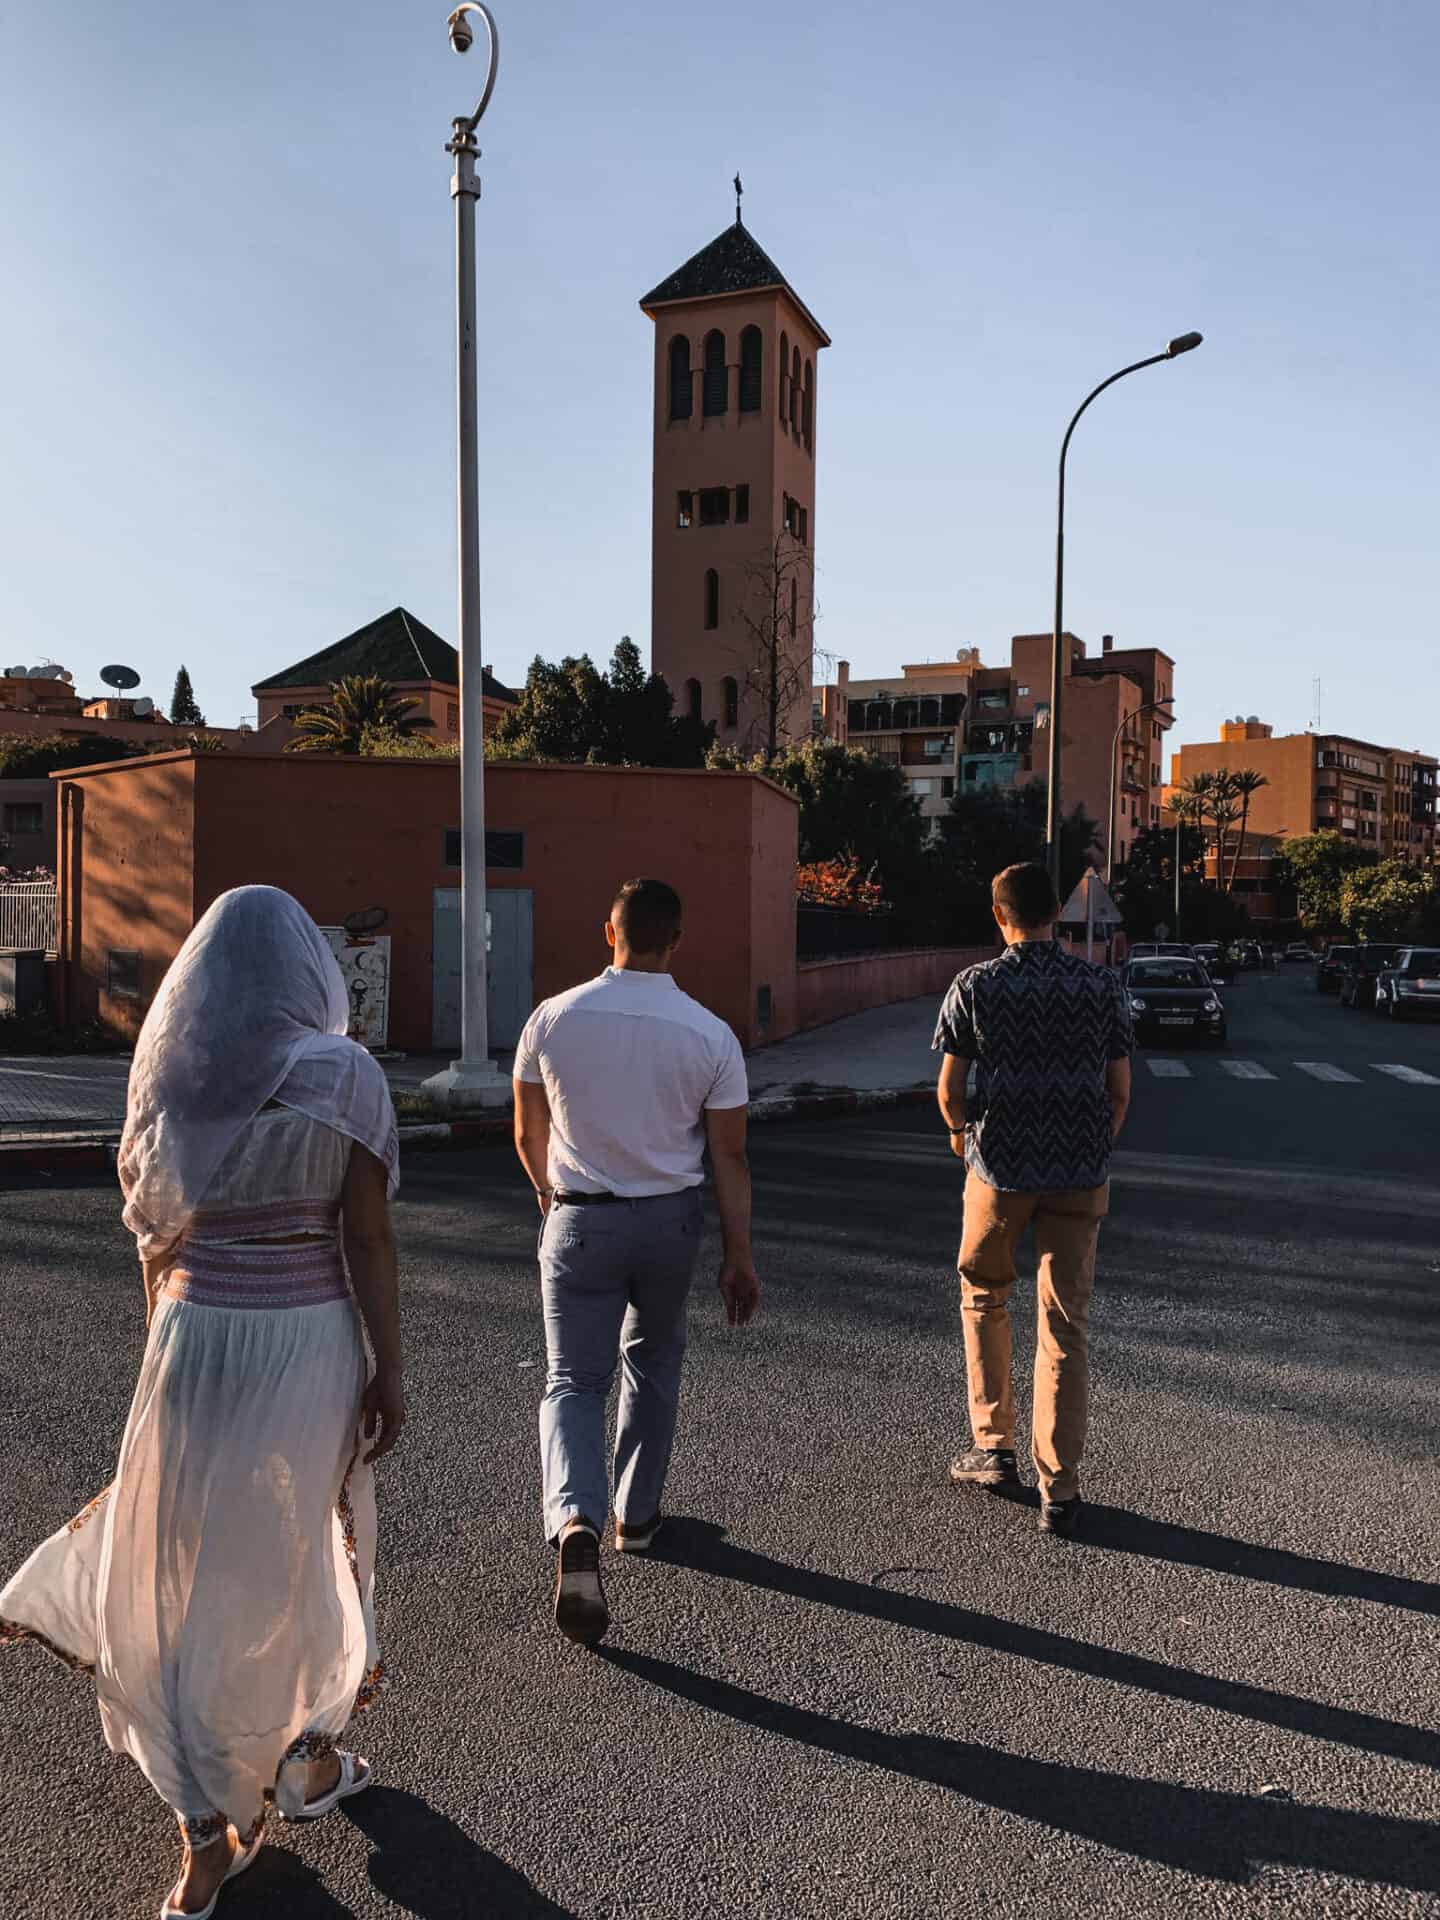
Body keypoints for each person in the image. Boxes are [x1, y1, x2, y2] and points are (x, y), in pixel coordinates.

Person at [0, 887, 403, 1918]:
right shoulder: (344, 1076)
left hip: (189, 1335)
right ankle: (303, 1754)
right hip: (307, 1335)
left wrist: (165, 1349)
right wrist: (387, 1365)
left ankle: (203, 1829)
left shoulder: (175, 1075)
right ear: (305, 974)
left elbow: (155, 1238)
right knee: (305, 1545)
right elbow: (366, 1240)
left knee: (176, 1568)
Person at [513, 877, 758, 1646]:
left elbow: (526, 1134)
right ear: (676, 940)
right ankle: (638, 1515)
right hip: (670, 1224)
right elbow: (730, 1155)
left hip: (579, 1215)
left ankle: (575, 1520)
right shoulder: (710, 1033)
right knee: (652, 1363)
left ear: (607, 932)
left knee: (571, 1380)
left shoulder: (552, 1018)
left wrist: (553, 1205)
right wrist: (738, 1256)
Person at [933, 862, 1132, 1538]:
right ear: (1057, 913)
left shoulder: (977, 985)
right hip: (1080, 1172)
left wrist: (963, 1140)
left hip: (1000, 1171)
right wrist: (1092, 1147)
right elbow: (1120, 1091)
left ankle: (994, 1448)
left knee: (985, 1293)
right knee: (1065, 1324)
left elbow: (951, 1090)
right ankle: (1061, 1487)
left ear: (1000, 915)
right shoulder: (1100, 984)